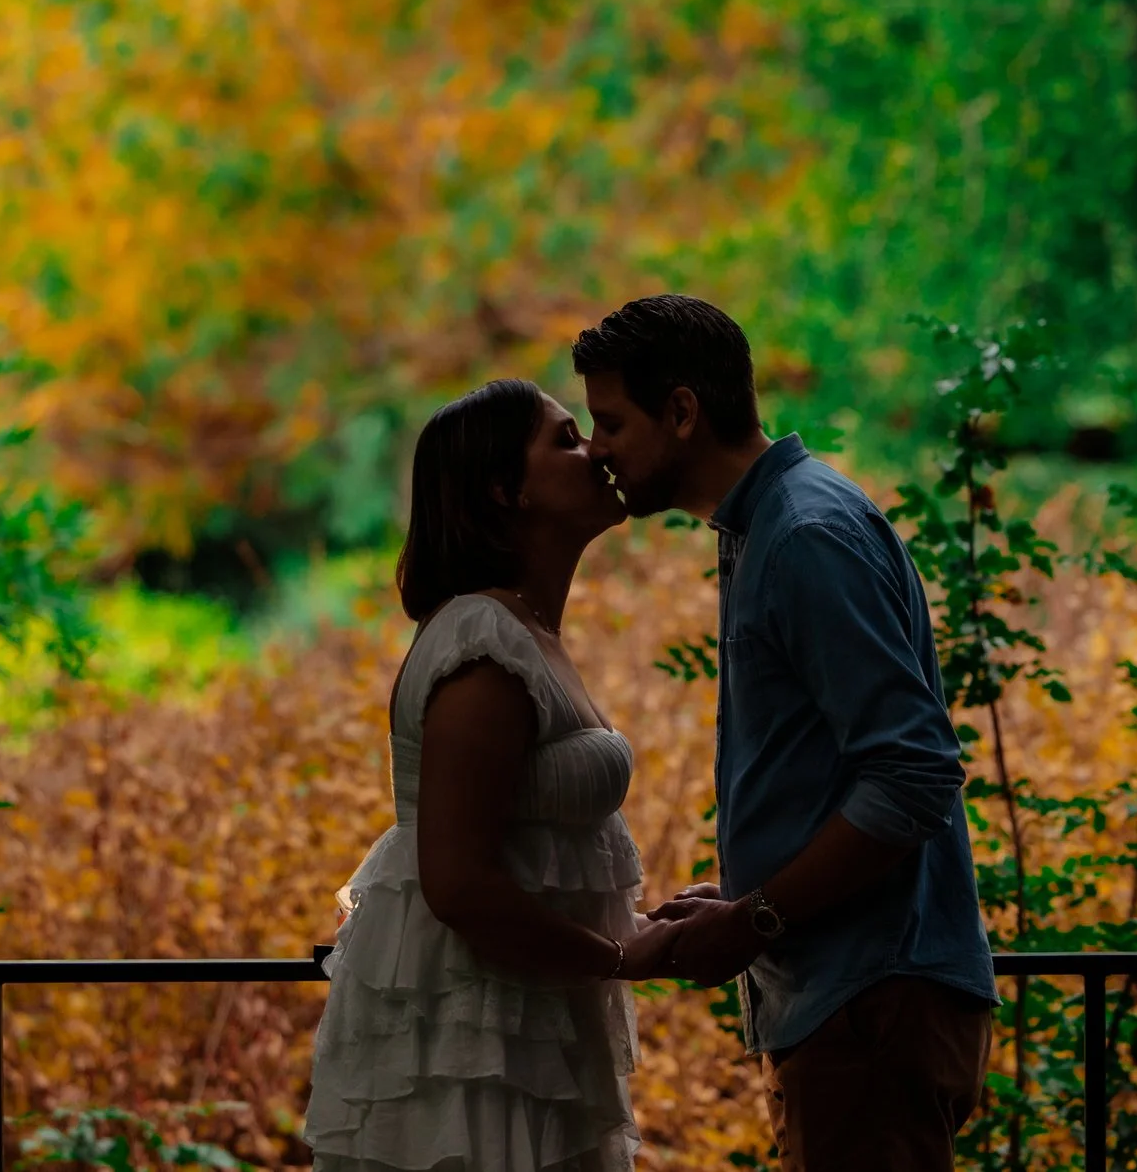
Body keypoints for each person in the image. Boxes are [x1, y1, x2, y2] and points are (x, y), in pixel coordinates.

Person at [575, 294, 997, 1172]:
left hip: (872, 1001)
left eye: (610, 421)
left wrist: (758, 915)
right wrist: (740, 894)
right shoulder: (772, 526)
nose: (597, 448)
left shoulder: (804, 535)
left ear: (683, 411)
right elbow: (838, 769)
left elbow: (913, 774)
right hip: (853, 1002)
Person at [305, 378, 681, 1172]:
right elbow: (460, 883)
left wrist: (643, 931)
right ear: (506, 489)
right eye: (567, 438)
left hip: (531, 1018)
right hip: (475, 1036)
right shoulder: (483, 643)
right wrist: (620, 957)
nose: (597, 451)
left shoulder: (527, 630)